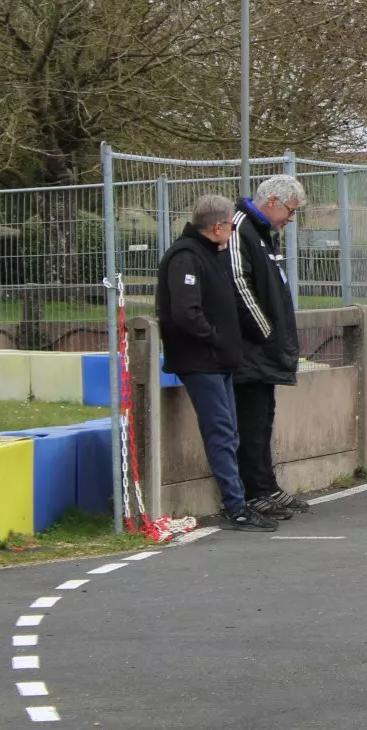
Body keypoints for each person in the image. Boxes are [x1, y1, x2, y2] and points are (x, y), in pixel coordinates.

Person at [156, 196, 272, 532]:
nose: (233, 233)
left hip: (218, 361)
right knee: (220, 431)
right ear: (218, 227)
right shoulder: (186, 257)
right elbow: (186, 312)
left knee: (229, 431)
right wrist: (215, 337)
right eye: (231, 227)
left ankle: (238, 500)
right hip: (201, 360)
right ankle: (235, 506)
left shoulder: (210, 255)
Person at [228, 175, 308, 519]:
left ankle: (267, 486)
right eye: (290, 210)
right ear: (273, 201)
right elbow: (239, 284)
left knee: (263, 420)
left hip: (264, 350)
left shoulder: (263, 234)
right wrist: (267, 333)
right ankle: (254, 491)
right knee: (250, 422)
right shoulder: (240, 228)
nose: (291, 218)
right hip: (248, 350)